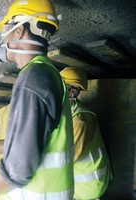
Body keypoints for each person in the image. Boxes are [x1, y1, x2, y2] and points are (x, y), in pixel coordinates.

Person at [0, 0, 75, 199]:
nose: (3, 37)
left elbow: (20, 165)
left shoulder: (33, 79)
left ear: (19, 31)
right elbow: (30, 140)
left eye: (6, 29)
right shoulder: (46, 72)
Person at [60, 67, 113, 200]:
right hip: (82, 183)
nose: (72, 93)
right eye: (70, 88)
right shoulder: (63, 111)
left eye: (76, 90)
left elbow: (68, 158)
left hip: (88, 187)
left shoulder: (80, 119)